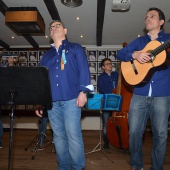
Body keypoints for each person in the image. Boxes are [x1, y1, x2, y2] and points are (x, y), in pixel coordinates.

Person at [116, 7, 170, 170]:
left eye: (152, 16)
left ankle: (157, 168)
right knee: (134, 133)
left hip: (162, 94)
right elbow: (120, 54)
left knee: (161, 134)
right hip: (139, 93)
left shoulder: (168, 39)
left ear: (161, 22)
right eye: (146, 17)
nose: (147, 19)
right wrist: (135, 55)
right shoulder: (139, 42)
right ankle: (136, 165)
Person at [35, 20, 93, 170]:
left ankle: (78, 167)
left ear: (65, 30)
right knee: (58, 137)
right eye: (51, 27)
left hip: (72, 99)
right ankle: (63, 167)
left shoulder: (76, 48)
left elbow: (84, 70)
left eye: (57, 26)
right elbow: (42, 80)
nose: (54, 28)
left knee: (73, 135)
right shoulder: (46, 56)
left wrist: (83, 92)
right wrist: (40, 101)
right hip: (52, 103)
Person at [97, 58, 118, 150]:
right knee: (106, 123)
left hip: (118, 101)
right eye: (108, 64)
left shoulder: (116, 74)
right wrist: (112, 92)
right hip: (107, 102)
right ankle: (106, 143)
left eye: (110, 63)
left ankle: (119, 141)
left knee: (118, 123)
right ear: (103, 67)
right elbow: (101, 89)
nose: (110, 65)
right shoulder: (101, 77)